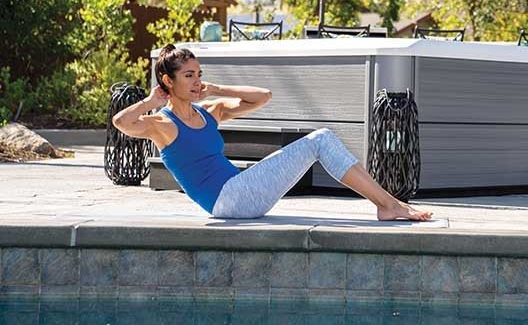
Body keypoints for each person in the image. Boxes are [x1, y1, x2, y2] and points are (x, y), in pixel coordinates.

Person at [112, 44, 433, 221]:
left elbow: (262, 96)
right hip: (228, 200)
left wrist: (216, 88)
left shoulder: (208, 112)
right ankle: (389, 205)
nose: (196, 82)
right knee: (319, 140)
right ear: (168, 81)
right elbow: (121, 123)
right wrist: (150, 100)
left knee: (321, 141)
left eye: (199, 74)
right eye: (188, 76)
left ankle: (389, 203)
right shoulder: (164, 124)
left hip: (240, 192)